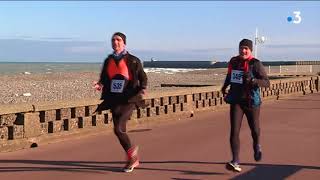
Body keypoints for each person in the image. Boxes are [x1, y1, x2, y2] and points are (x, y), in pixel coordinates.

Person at [94, 32, 148, 173]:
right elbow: (105, 77)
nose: (115, 42)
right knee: (118, 131)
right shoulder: (109, 60)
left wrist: (142, 89)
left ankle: (132, 158)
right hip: (114, 100)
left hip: (129, 99)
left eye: (118, 40)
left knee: (119, 129)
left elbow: (143, 76)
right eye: (113, 40)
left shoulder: (133, 60)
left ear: (124, 43)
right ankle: (133, 155)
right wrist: (100, 84)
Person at [221, 39, 270, 172]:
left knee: (254, 129)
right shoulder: (233, 61)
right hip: (236, 100)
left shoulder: (256, 64)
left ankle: (256, 145)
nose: (243, 50)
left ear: (250, 50)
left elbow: (267, 82)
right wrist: (224, 86)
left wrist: (253, 81)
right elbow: (230, 75)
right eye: (241, 48)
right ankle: (235, 161)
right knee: (234, 131)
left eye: (246, 48)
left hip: (251, 102)